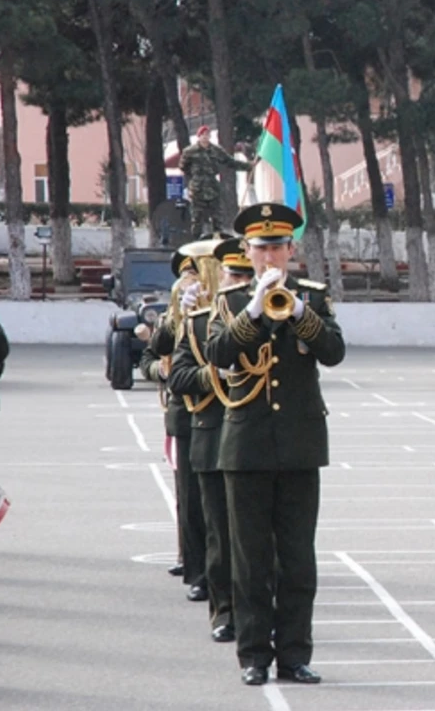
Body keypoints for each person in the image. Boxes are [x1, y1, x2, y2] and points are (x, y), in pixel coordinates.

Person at [206, 202, 345, 686]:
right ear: (247, 250)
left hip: (300, 444)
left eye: (277, 247)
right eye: (260, 247)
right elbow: (219, 352)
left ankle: (293, 654)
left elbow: (333, 352)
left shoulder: (313, 297)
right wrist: (255, 306)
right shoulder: (228, 302)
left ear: (291, 249)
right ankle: (253, 656)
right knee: (250, 563)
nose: (269, 256)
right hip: (245, 446)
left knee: (297, 560)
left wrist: (298, 310)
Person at [167, 236, 253, 643]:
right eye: (233, 274)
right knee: (219, 534)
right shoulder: (200, 322)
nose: (239, 281)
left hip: (256, 438)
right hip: (212, 434)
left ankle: (259, 614)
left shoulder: (272, 315)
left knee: (257, 539)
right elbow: (177, 375)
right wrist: (215, 377)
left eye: (246, 274)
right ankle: (225, 611)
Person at [140, 248, 207, 602]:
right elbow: (151, 355)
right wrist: (161, 371)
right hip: (184, 412)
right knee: (189, 496)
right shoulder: (175, 314)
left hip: (219, 411)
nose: (190, 283)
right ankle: (195, 565)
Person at [178, 125, 255, 236]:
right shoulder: (190, 151)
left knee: (217, 219)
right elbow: (183, 166)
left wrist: (248, 166)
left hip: (213, 189)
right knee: (197, 219)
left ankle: (217, 240)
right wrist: (195, 176)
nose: (205, 137)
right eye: (202, 135)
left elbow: (230, 162)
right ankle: (195, 242)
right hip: (197, 189)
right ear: (198, 137)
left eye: (207, 135)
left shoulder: (216, 150)